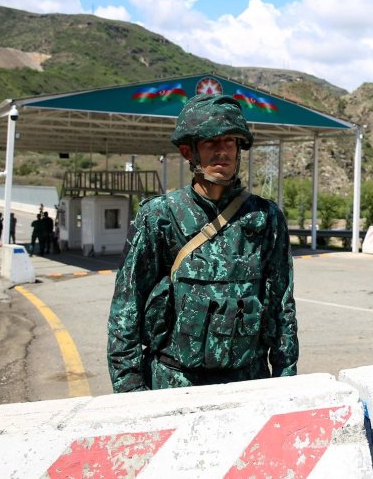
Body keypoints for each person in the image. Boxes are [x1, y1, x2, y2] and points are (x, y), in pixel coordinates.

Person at [107, 94, 298, 392]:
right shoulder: (160, 216)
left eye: (231, 142)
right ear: (189, 151)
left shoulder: (265, 217)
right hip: (174, 382)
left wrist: (285, 380)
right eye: (211, 143)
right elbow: (127, 306)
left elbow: (281, 305)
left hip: (248, 382)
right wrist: (129, 388)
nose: (222, 151)